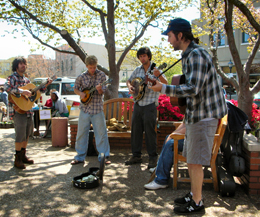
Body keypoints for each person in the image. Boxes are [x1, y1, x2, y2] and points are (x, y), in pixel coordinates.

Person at [149, 18, 227, 215]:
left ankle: (198, 202)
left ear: (180, 35)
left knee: (195, 162)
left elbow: (193, 88)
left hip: (204, 117)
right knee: (192, 160)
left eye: (170, 35)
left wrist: (163, 88)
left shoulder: (196, 55)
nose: (168, 40)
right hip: (197, 116)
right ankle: (194, 195)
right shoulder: (189, 54)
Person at [4, 57, 52, 169]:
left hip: (28, 110)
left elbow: (36, 92)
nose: (23, 66)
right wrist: (21, 91)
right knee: (20, 135)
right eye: (21, 64)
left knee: (26, 135)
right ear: (16, 66)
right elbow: (6, 87)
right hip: (18, 110)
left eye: (24, 64)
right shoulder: (12, 77)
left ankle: (23, 155)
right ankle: (17, 159)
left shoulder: (27, 80)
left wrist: (46, 85)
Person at [125, 47, 168, 169]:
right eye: (140, 56)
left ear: (149, 56)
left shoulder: (155, 69)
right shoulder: (137, 70)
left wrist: (157, 75)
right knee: (136, 131)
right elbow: (129, 81)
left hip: (150, 105)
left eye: (144, 56)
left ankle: (153, 158)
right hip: (138, 103)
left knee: (150, 132)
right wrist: (130, 87)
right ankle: (136, 155)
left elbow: (165, 83)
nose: (142, 58)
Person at [71, 55, 110, 165]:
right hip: (85, 109)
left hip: (97, 109)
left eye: (94, 67)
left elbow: (104, 91)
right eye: (90, 67)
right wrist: (80, 93)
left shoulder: (102, 75)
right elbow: (75, 88)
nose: (93, 69)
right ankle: (79, 157)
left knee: (101, 134)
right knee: (81, 133)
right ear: (87, 66)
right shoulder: (81, 77)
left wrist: (100, 89)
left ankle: (104, 157)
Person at [144, 122, 185, 190]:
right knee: (168, 137)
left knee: (170, 144)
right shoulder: (192, 111)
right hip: (191, 137)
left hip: (198, 141)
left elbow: (191, 127)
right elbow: (185, 124)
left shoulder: (198, 112)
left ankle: (161, 180)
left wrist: (173, 135)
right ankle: (160, 168)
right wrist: (172, 135)